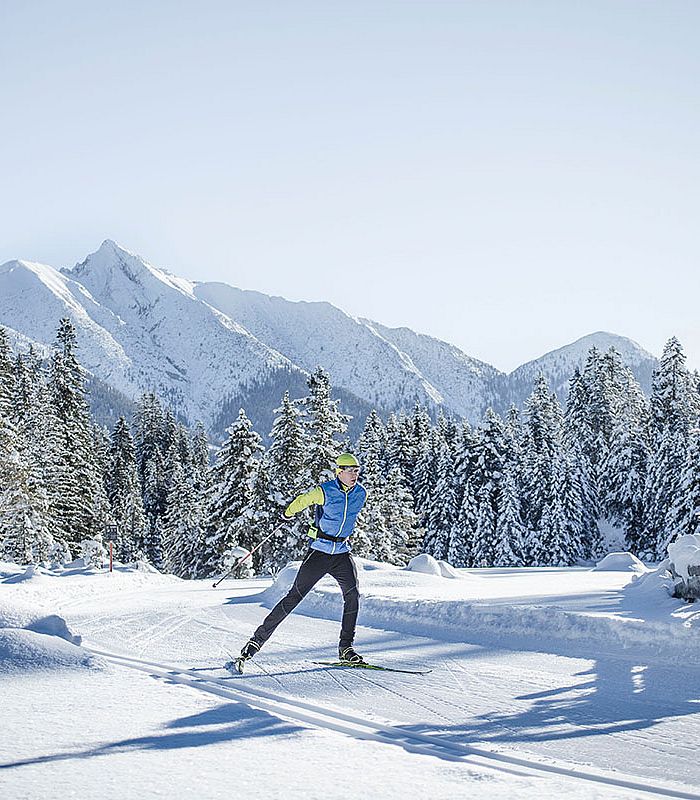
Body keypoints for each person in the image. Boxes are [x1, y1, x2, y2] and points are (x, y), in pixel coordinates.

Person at [238, 453, 367, 665]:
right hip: (319, 553)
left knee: (352, 595)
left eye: (357, 470)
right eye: (350, 470)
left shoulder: (361, 493)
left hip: (342, 553)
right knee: (293, 598)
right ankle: (255, 642)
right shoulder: (325, 491)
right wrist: (287, 514)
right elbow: (303, 500)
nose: (354, 474)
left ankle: (346, 648)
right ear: (339, 471)